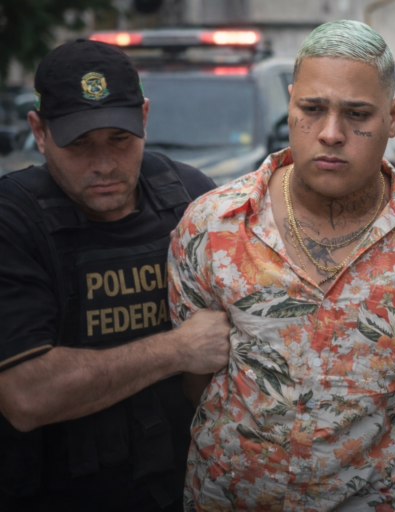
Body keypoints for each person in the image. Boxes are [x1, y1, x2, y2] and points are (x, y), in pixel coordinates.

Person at [168, 20, 395, 511]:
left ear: (393, 117)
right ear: (290, 104)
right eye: (312, 109)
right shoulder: (212, 227)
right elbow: (196, 380)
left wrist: (375, 479)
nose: (331, 134)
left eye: (357, 114)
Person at [0, 40, 231, 511]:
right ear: (39, 132)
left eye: (120, 139)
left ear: (144, 117)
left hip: (181, 488)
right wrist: (178, 349)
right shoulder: (13, 221)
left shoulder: (190, 197)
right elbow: (26, 393)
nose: (104, 163)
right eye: (79, 144)